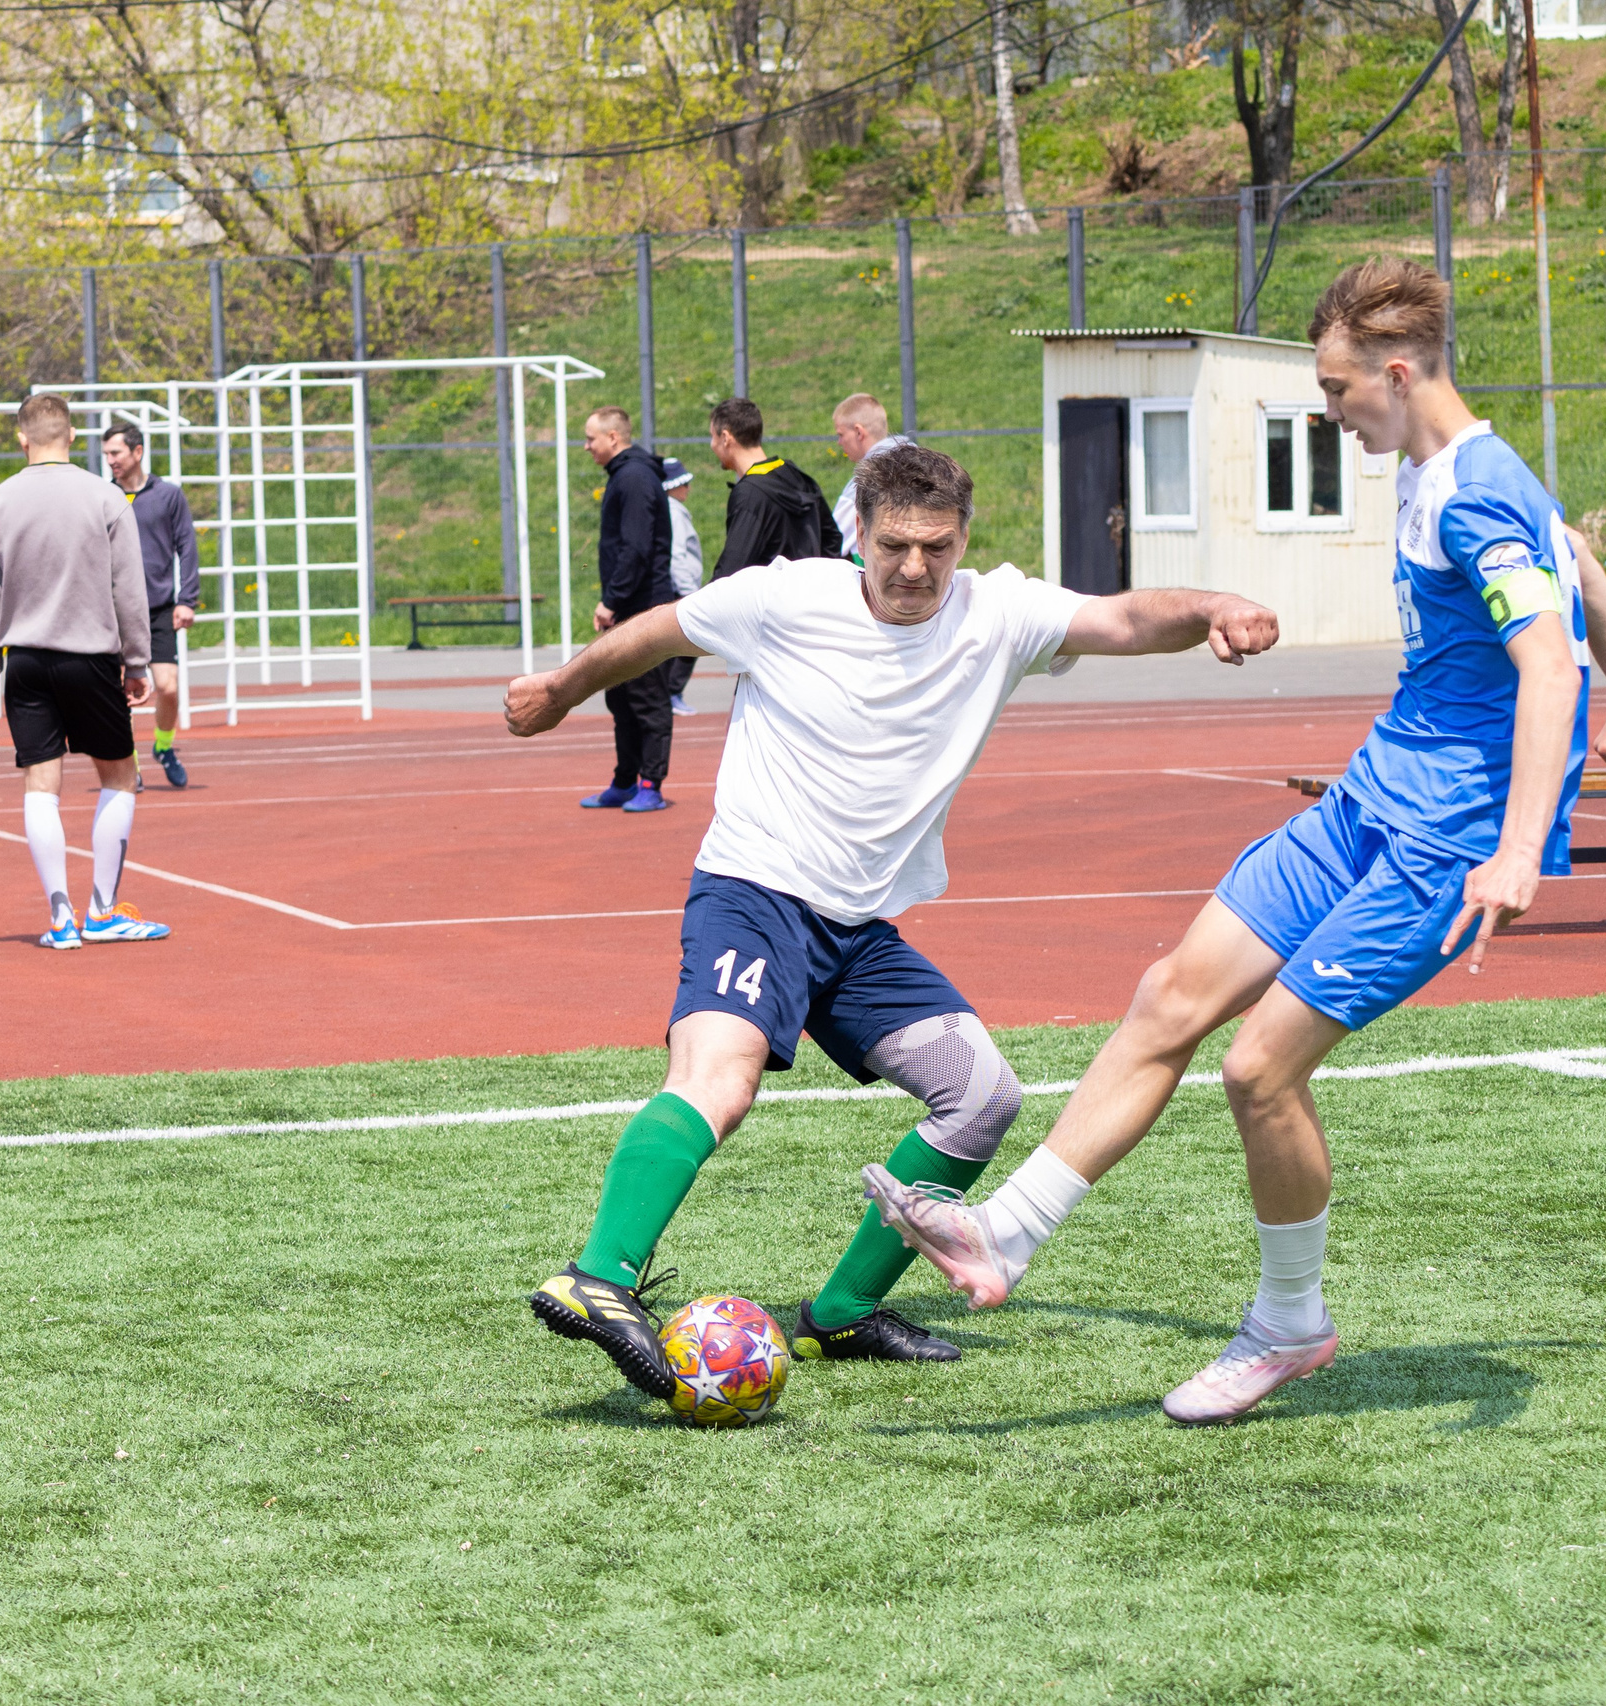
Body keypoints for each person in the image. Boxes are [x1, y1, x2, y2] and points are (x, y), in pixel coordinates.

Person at [867, 256, 1589, 1425]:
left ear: (1398, 375)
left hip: (1441, 842)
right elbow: (1582, 574)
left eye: (1339, 387)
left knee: (1258, 1067)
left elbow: (1540, 661)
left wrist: (1515, 848)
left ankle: (1288, 1325)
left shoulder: (1478, 492)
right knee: (1169, 992)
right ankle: (1005, 1232)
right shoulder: (1436, 469)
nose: (1329, 408)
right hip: (1368, 799)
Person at [502, 442, 1278, 1393]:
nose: (916, 568)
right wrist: (559, 690)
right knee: (722, 1076)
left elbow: (1120, 617)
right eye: (896, 545)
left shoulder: (998, 614)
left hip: (861, 927)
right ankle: (599, 1278)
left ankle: (841, 1312)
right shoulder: (784, 599)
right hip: (754, 891)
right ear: (857, 533)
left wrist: (1214, 609)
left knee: (982, 1095)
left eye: (937, 547)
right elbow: (659, 630)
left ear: (963, 539)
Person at [0, 393, 171, 950]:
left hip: (26, 662)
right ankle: (102, 911)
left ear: (21, 438)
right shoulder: (106, 496)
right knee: (120, 776)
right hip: (91, 658)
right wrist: (137, 661)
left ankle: (60, 920)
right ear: (74, 438)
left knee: (40, 783)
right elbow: (129, 589)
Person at [577, 407, 678, 814]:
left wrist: (612, 601)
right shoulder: (624, 475)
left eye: (591, 439)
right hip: (627, 608)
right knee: (619, 697)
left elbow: (636, 548)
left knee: (648, 697)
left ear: (614, 437)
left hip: (643, 608)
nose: (586, 447)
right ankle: (624, 780)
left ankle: (650, 783)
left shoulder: (634, 478)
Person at [99, 419, 199, 790]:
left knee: (168, 687)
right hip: (115, 610)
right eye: (106, 454)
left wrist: (186, 600)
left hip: (157, 608)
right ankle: (132, 766)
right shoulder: (104, 497)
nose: (110, 460)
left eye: (116, 452)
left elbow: (187, 547)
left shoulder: (168, 496)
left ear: (137, 452)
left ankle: (164, 747)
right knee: (122, 692)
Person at [710, 398, 842, 579]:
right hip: (809, 599)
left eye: (713, 437)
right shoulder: (796, 475)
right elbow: (832, 539)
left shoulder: (749, 494)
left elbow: (731, 572)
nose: (711, 445)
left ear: (725, 438)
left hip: (769, 605)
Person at [830, 393, 913, 561]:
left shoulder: (866, 481)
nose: (839, 442)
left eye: (841, 434)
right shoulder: (923, 466)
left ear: (859, 432)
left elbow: (831, 542)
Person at [661, 457, 704, 716]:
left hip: (682, 588)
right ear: (673, 486)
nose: (688, 487)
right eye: (684, 483)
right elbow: (676, 555)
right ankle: (671, 691)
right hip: (682, 589)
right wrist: (688, 591)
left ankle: (671, 692)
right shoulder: (673, 513)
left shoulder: (673, 510)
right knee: (692, 641)